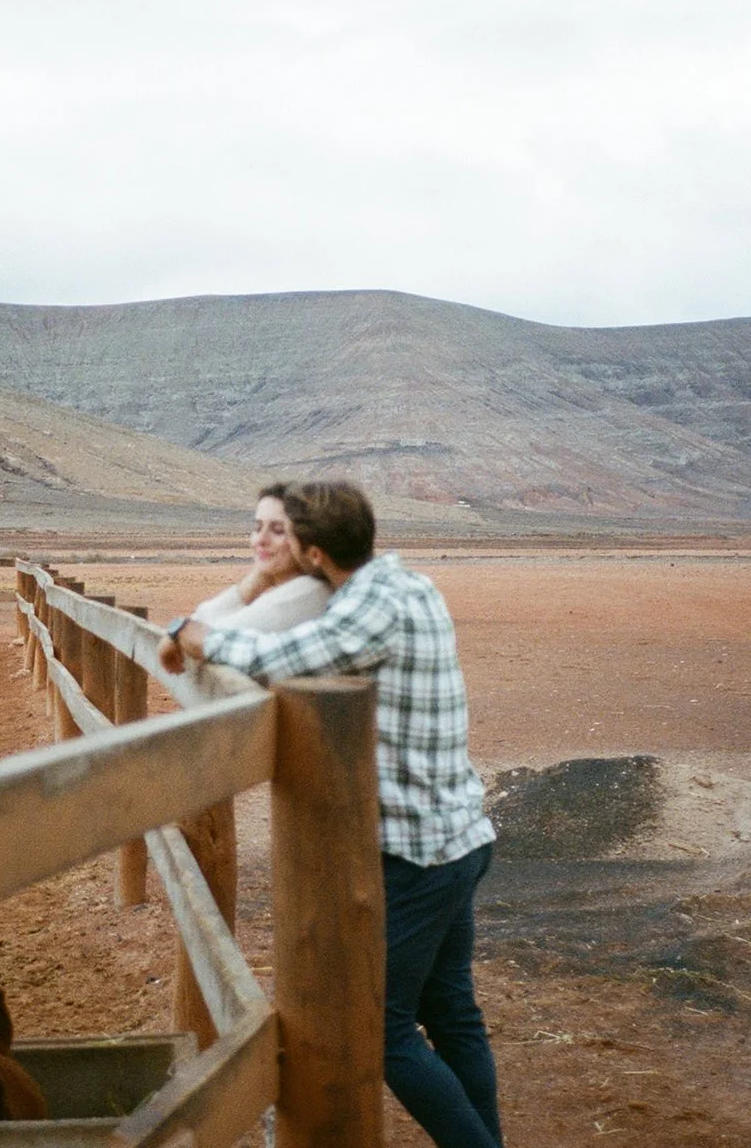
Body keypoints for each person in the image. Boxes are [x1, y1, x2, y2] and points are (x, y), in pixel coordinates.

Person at [157, 480, 502, 1148]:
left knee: (382, 1029)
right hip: (459, 831)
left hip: (420, 847)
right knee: (452, 1011)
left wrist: (185, 630)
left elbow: (268, 656)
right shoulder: (404, 583)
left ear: (313, 553)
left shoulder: (361, 612)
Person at [191, 482, 332, 633]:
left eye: (278, 530)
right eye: (257, 528)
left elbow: (202, 639)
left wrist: (248, 587)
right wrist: (253, 582)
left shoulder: (301, 596)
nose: (261, 540)